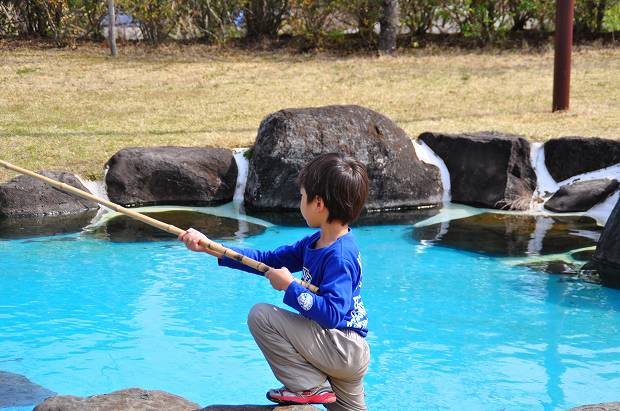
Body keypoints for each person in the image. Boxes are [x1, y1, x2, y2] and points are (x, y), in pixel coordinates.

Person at [179, 153, 370, 410]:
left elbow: (333, 314)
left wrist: (289, 287)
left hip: (342, 346)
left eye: (302, 196)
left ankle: (310, 387)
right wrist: (211, 247)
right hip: (339, 350)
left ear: (319, 204)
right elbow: (266, 260)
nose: (300, 202)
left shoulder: (340, 256)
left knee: (261, 315)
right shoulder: (316, 242)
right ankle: (314, 386)